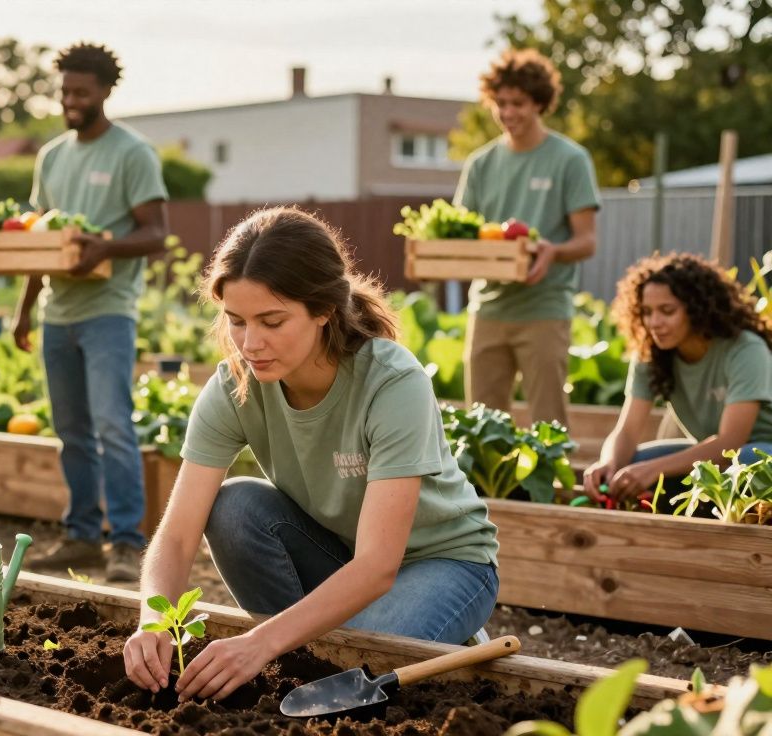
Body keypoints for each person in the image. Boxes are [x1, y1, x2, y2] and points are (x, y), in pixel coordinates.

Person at [123, 207, 499, 702]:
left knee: (353, 675)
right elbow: (175, 536)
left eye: (272, 321)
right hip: (341, 557)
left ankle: (434, 630)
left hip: (443, 561)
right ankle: (308, 652)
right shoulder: (235, 386)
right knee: (234, 508)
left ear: (323, 310)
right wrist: (154, 620)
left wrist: (258, 644)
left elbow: (378, 565)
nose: (250, 343)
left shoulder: (391, 382)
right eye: (236, 321)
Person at [12, 42, 170, 582]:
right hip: (59, 313)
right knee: (71, 429)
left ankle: (126, 542)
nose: (71, 101)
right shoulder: (52, 156)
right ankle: (81, 534)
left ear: (105, 91)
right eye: (65, 92)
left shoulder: (133, 153)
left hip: (109, 310)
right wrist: (24, 311)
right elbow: (39, 241)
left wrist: (105, 249)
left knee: (112, 425)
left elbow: (156, 233)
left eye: (82, 92)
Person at [455, 48, 601, 426]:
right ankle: (488, 489)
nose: (507, 113)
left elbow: (587, 241)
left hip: (544, 309)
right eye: (500, 103)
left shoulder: (570, 160)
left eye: (517, 103)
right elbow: (463, 238)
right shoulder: (480, 164)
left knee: (548, 424)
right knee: (482, 425)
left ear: (539, 103)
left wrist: (552, 251)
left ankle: (556, 489)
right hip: (488, 308)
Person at [586, 253, 772, 504]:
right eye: (647, 312)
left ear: (697, 310)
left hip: (757, 454)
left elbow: (731, 443)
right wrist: (607, 464)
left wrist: (655, 470)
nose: (654, 322)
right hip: (713, 460)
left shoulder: (745, 350)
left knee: (747, 461)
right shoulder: (651, 354)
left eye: (667, 311)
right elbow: (627, 431)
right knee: (631, 465)